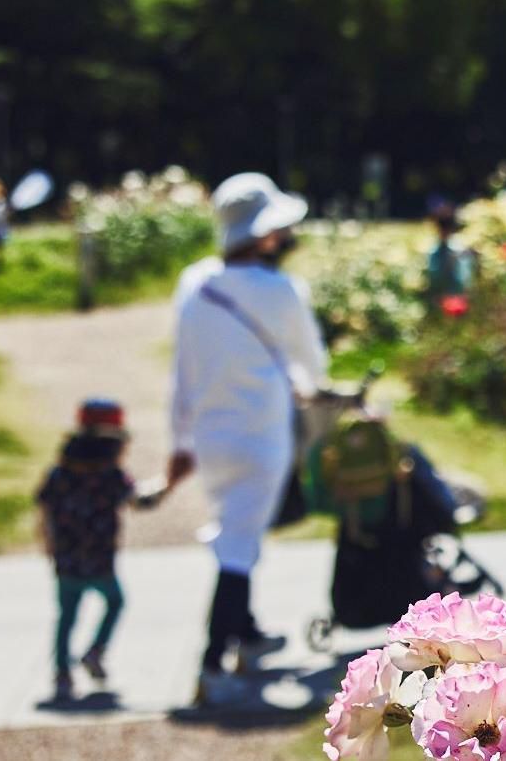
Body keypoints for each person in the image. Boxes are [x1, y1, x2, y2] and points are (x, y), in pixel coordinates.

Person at [169, 172, 329, 702]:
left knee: (237, 534)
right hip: (261, 440)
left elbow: (182, 374)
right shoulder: (282, 290)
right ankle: (213, 662)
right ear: (264, 236)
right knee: (238, 547)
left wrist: (178, 444)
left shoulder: (195, 283)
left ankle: (250, 633)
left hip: (211, 440)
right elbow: (313, 364)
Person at [36, 398, 185, 702]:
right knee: (115, 602)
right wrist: (170, 482)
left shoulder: (60, 472)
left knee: (66, 616)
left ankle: (62, 674)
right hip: (100, 557)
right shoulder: (110, 475)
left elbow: (44, 509)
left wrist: (47, 542)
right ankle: (96, 651)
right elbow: (141, 500)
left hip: (66, 556)